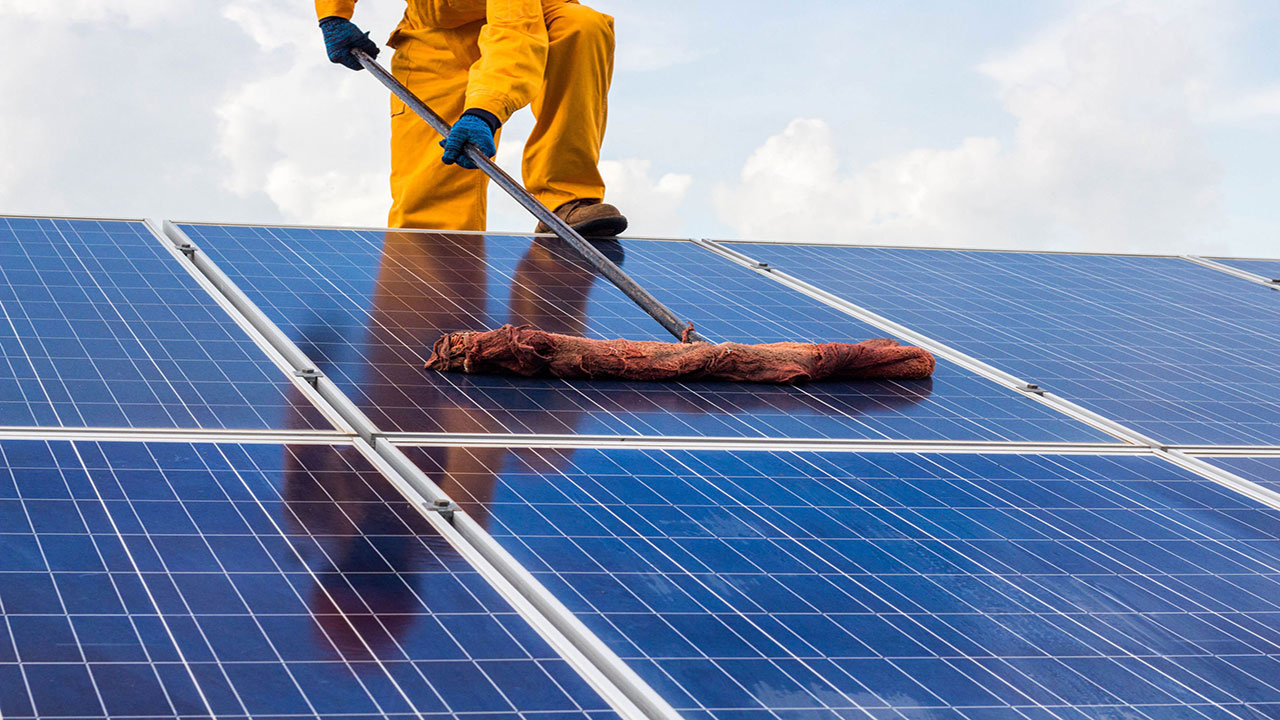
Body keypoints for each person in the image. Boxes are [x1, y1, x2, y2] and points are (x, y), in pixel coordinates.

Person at [315, 0, 628, 236]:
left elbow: (512, 32)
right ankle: (431, 305)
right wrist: (333, 13)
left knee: (581, 27)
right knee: (431, 212)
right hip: (432, 38)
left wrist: (484, 111)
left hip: (531, 17)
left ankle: (565, 199)